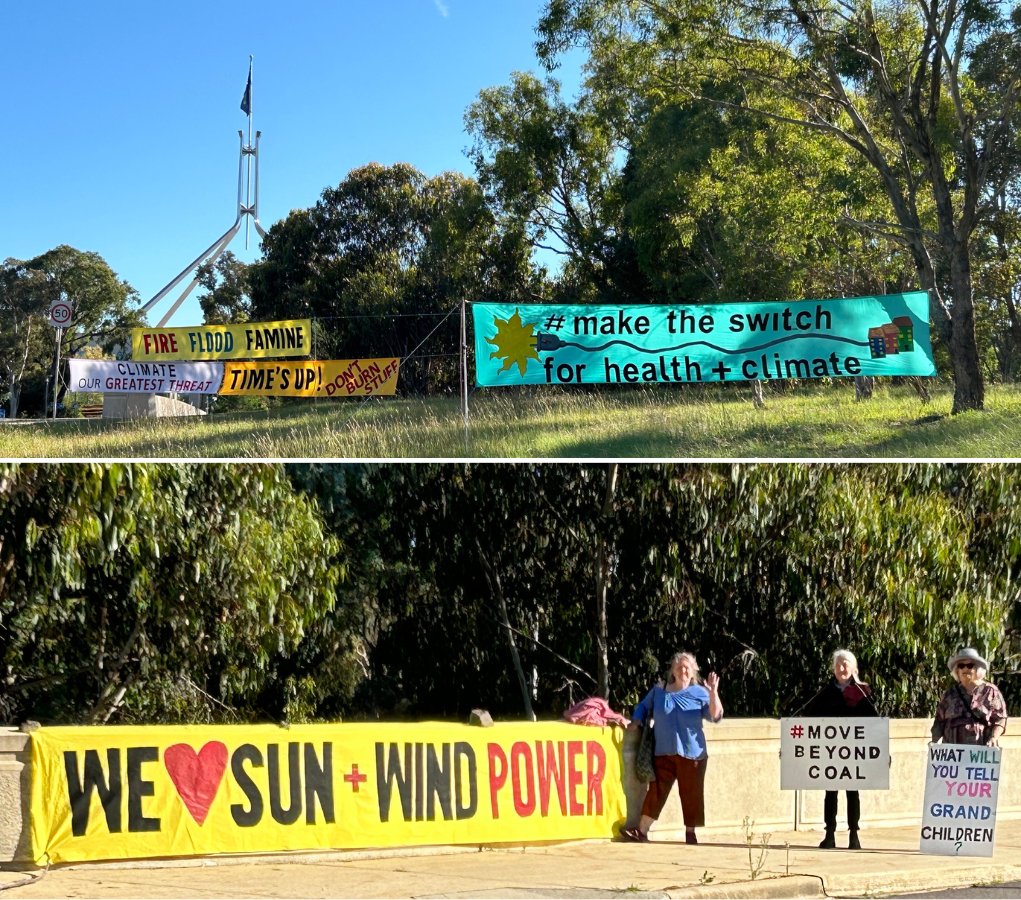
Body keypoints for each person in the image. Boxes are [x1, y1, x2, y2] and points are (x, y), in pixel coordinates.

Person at [620, 651, 723, 845]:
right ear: (673, 671)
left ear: (693, 672)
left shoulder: (701, 692)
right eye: (679, 666)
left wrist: (713, 693)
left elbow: (715, 716)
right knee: (656, 791)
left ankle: (690, 833)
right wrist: (635, 721)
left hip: (693, 754)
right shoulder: (660, 691)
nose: (683, 670)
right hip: (663, 752)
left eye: (687, 667)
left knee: (691, 792)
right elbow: (643, 705)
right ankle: (641, 831)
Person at [803, 649, 878, 851]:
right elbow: (809, 721)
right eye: (838, 664)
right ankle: (830, 834)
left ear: (853, 668)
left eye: (845, 664)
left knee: (853, 793)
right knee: (831, 794)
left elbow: (874, 724)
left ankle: (854, 834)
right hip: (831, 753)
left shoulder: (863, 692)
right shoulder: (825, 692)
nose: (841, 668)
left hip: (854, 753)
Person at [931, 647, 1007, 747]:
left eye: (970, 665)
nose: (965, 669)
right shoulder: (950, 694)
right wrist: (934, 742)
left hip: (980, 753)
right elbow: (939, 721)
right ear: (957, 671)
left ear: (977, 669)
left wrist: (994, 737)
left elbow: (1000, 719)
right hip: (952, 755)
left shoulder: (990, 691)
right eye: (961, 666)